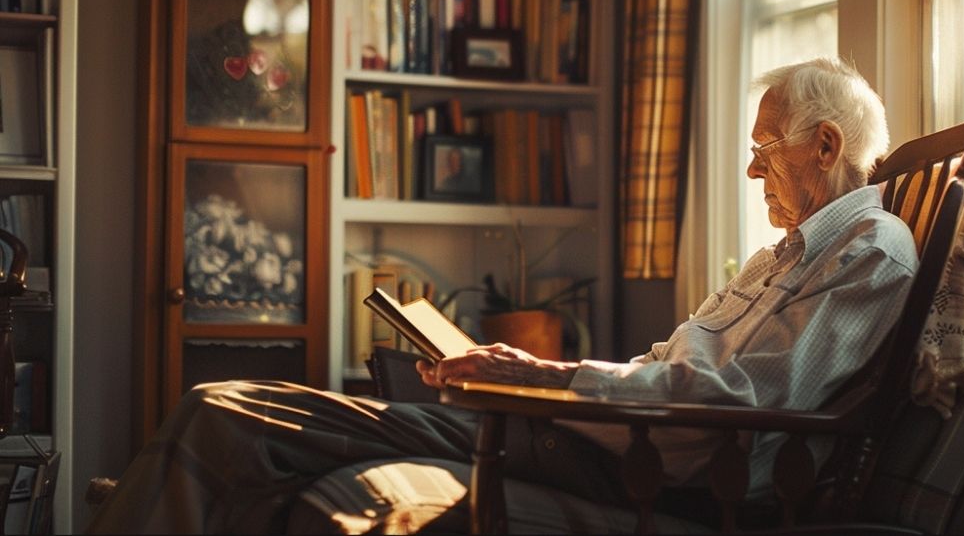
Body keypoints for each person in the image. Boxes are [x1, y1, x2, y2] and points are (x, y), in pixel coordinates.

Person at [87, 58, 917, 534]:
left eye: (764, 147)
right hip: (585, 435)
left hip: (630, 467)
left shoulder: (872, 250)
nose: (750, 170)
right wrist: (539, 378)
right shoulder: (783, 254)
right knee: (226, 408)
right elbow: (670, 367)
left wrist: (544, 379)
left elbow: (724, 402)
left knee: (226, 412)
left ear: (827, 144)